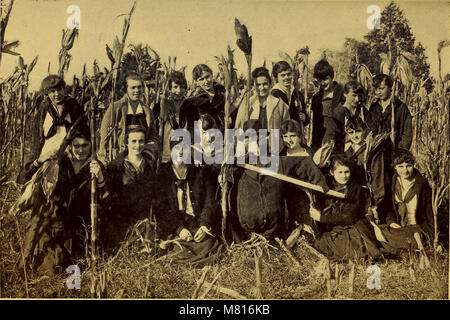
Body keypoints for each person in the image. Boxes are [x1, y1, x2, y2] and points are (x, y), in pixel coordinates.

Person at [18, 125, 105, 275]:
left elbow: (105, 198)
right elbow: (22, 179)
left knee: (73, 268)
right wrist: (39, 161)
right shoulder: (59, 162)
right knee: (48, 269)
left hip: (78, 223)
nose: (81, 150)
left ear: (91, 145)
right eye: (76, 146)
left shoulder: (96, 166)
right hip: (54, 219)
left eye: (85, 145)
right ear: (70, 146)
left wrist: (100, 178)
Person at [310, 155, 381, 261]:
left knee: (353, 248)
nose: (344, 176)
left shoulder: (356, 189)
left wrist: (321, 218)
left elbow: (349, 217)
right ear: (332, 172)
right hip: (333, 227)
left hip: (353, 226)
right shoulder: (326, 187)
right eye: (340, 172)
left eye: (346, 172)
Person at [18, 74, 85, 184]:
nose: (57, 94)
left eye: (59, 89)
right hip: (48, 154)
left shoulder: (74, 107)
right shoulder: (43, 111)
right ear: (47, 93)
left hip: (70, 154)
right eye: (52, 91)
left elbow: (82, 133)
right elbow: (37, 140)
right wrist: (41, 158)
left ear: (64, 89)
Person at [103, 125, 158, 251]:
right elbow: (112, 197)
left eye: (141, 141)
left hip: (145, 217)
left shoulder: (150, 164)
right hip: (123, 218)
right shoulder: (116, 167)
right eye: (133, 141)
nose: (137, 145)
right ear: (126, 143)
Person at [377, 149, 435, 254]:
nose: (405, 171)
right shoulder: (393, 183)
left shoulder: (422, 184)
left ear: (413, 165)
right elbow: (389, 208)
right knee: (379, 231)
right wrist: (391, 222)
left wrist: (431, 233)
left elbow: (429, 212)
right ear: (395, 167)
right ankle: (408, 248)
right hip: (400, 227)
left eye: (408, 166)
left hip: (416, 227)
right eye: (400, 167)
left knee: (411, 238)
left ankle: (406, 248)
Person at [279, 120, 328, 235]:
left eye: (292, 136)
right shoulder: (281, 156)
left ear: (300, 136)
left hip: (309, 197)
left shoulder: (311, 154)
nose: (289, 140)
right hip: (289, 198)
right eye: (285, 136)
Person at [98, 72, 159, 164]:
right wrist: (103, 156)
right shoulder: (116, 108)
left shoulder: (147, 110)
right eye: (133, 87)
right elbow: (104, 135)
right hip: (119, 158)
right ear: (126, 89)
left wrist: (148, 151)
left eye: (139, 87)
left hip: (141, 158)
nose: (137, 90)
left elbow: (153, 137)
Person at [365, 74, 413, 151]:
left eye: (381, 88)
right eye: (376, 89)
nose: (378, 92)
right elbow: (369, 129)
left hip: (394, 152)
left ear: (390, 88)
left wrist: (400, 151)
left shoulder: (401, 108)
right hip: (375, 153)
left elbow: (407, 134)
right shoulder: (373, 108)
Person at [235, 66, 290, 132]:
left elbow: (287, 128)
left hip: (274, 141)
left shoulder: (279, 104)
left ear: (270, 84)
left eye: (265, 84)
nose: (262, 88)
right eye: (258, 85)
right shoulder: (247, 104)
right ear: (253, 86)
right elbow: (238, 127)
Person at [179, 64, 226, 138]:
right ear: (196, 81)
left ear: (212, 74)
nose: (206, 81)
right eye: (201, 79)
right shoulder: (192, 102)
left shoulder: (224, 95)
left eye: (207, 77)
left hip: (225, 137)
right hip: (204, 141)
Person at [152, 71, 188, 166]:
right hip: (165, 151)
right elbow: (154, 128)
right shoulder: (160, 106)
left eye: (182, 87)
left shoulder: (189, 106)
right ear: (169, 89)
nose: (179, 91)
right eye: (175, 87)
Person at [310, 60, 344, 152]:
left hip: (339, 140)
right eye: (320, 80)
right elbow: (315, 125)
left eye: (325, 79)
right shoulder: (316, 98)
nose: (323, 83)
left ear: (332, 76)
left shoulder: (342, 93)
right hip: (321, 141)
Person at [323, 81, 363, 153]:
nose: (357, 99)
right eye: (354, 95)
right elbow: (328, 140)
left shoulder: (362, 111)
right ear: (345, 94)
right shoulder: (337, 114)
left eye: (359, 96)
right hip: (341, 154)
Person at [270, 61, 309, 128]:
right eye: (283, 75)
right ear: (276, 77)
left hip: (296, 134)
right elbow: (273, 123)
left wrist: (304, 118)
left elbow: (305, 119)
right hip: (281, 134)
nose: (287, 77)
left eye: (289, 74)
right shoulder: (274, 95)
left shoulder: (297, 94)